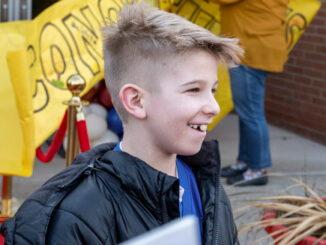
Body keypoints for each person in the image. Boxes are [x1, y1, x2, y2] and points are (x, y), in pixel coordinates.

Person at [0, 3, 243, 244]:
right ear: (136, 101)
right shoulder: (77, 215)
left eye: (212, 90)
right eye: (194, 89)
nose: (214, 107)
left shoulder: (206, 186)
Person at [211, 0, 289, 186]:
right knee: (247, 111)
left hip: (251, 50)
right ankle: (245, 161)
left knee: (251, 113)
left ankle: (258, 169)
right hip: (254, 46)